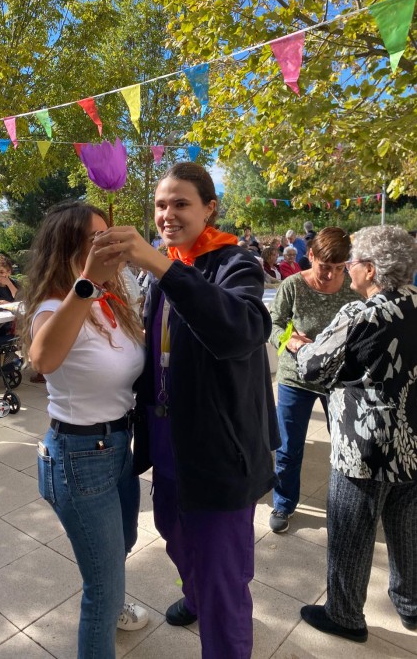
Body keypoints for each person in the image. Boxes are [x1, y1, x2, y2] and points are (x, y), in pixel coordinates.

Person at [93, 162, 279, 659]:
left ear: (209, 208)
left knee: (222, 571)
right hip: (166, 438)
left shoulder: (235, 262)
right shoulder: (166, 268)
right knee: (174, 535)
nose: (167, 214)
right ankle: (194, 595)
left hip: (217, 445)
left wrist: (161, 266)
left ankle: (222, 634)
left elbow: (240, 330)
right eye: (160, 205)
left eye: (180, 203)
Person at [23, 202, 148, 659]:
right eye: (96, 239)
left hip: (118, 445)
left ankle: (112, 601)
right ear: (68, 248)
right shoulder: (57, 305)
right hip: (78, 456)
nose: (108, 245)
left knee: (123, 543)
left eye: (108, 236)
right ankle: (108, 609)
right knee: (103, 587)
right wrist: (88, 282)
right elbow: (43, 359)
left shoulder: (111, 300)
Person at [293, 225, 417, 641]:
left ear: (370, 269)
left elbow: (313, 368)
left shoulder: (360, 314)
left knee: (351, 531)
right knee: (407, 526)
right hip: (412, 440)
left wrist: (298, 346)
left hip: (364, 447)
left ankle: (345, 615)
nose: (347, 268)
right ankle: (411, 605)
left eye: (352, 262)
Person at [268, 227, 358, 533]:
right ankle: (283, 503)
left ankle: (345, 506)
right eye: (324, 267)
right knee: (288, 447)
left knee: (346, 446)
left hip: (340, 380)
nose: (331, 276)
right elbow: (274, 325)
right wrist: (290, 340)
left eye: (339, 268)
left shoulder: (353, 288)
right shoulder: (293, 285)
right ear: (311, 256)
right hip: (296, 378)